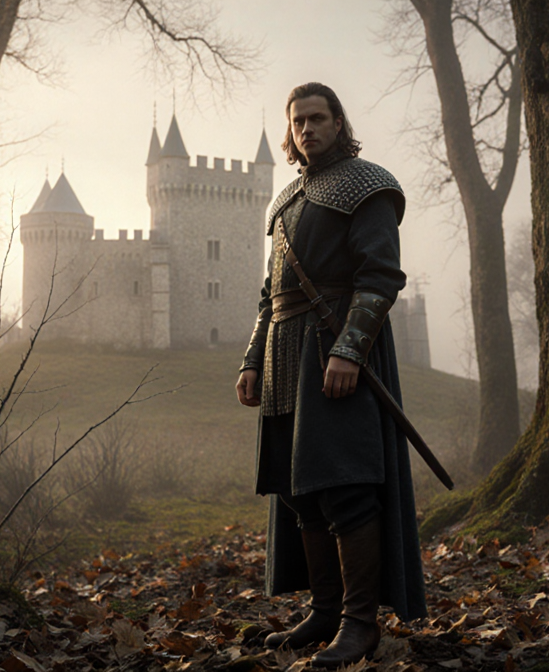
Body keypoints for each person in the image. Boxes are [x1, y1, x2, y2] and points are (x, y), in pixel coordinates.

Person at [235, 82, 427, 668]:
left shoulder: (368, 185)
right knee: (301, 494)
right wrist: (251, 358)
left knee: (344, 484)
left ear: (339, 122)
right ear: (289, 132)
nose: (308, 129)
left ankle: (359, 622)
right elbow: (272, 296)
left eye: (318, 118)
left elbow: (381, 276)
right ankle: (324, 610)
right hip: (284, 356)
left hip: (337, 346)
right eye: (298, 122)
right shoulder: (284, 202)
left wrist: (349, 349)